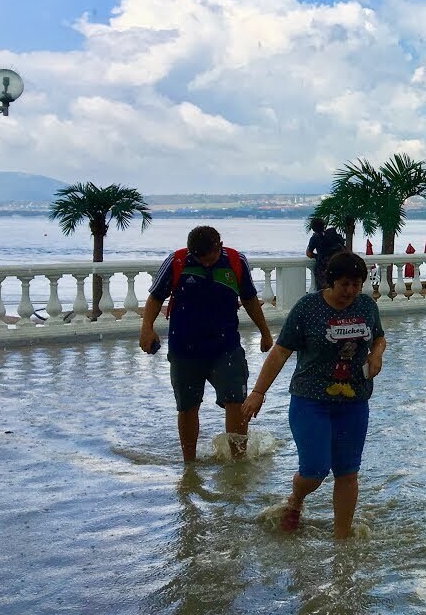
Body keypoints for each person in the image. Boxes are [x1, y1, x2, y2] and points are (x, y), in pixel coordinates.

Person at [243, 252, 387, 538]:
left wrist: (376, 354)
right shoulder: (308, 308)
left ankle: (342, 540)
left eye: (357, 284)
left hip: (354, 402)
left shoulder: (367, 306)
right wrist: (258, 391)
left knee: (348, 472)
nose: (350, 291)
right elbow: (282, 350)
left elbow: (379, 336)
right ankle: (296, 500)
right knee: (315, 469)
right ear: (329, 281)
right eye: (344, 284)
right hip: (311, 401)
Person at [139, 225, 273, 462]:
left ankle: (238, 461)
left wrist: (265, 332)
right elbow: (156, 297)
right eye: (199, 258)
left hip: (226, 348)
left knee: (236, 400)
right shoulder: (177, 261)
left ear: (219, 247)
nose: (206, 263)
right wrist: (147, 328)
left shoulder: (235, 261)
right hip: (184, 349)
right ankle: (189, 462)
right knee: (187, 406)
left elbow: (249, 299)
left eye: (209, 257)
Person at [306, 218, 345, 292]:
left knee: (323, 291)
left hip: (323, 267)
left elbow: (309, 253)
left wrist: (318, 256)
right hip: (336, 265)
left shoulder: (315, 238)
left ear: (313, 228)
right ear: (324, 226)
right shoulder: (333, 235)